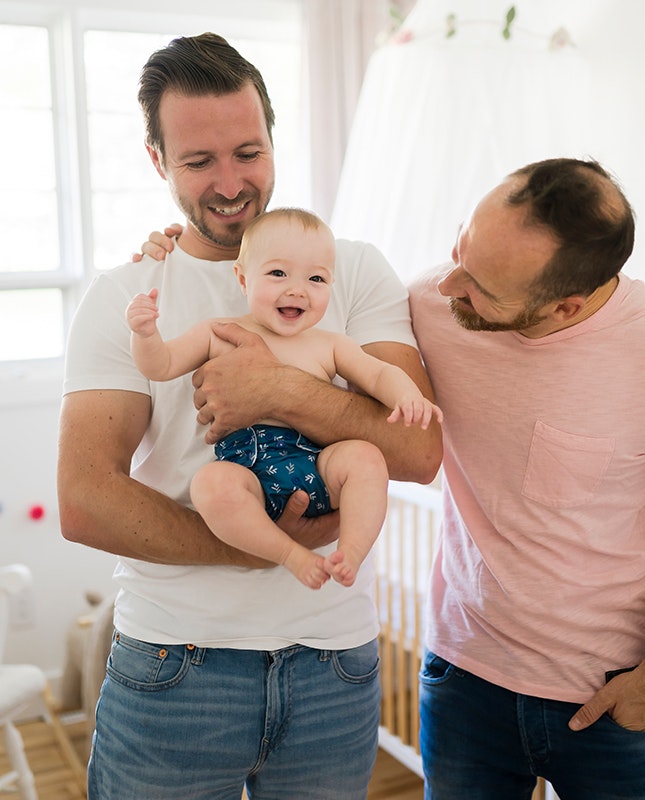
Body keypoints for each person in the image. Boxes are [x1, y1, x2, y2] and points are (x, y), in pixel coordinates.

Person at [57, 32, 441, 800]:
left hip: (333, 661)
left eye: (248, 152)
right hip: (176, 660)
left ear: (272, 139)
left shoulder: (349, 267)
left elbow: (417, 453)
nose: (231, 183)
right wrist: (260, 550)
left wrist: (281, 394)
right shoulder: (130, 293)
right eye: (199, 162)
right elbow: (84, 498)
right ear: (157, 161)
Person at [406, 158, 645, 800]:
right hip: (462, 676)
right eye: (460, 247)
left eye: (481, 286)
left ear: (565, 306)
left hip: (609, 693)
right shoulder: (429, 303)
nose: (449, 284)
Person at [126, 207, 442, 590]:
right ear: (243, 278)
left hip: (318, 465)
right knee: (210, 485)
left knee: (365, 458)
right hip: (248, 476)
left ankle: (351, 553)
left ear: (331, 285)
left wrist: (407, 396)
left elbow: (377, 374)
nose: (297, 289)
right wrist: (145, 335)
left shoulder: (329, 344)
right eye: (278, 274)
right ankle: (290, 554)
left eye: (316, 278)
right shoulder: (219, 333)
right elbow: (161, 364)